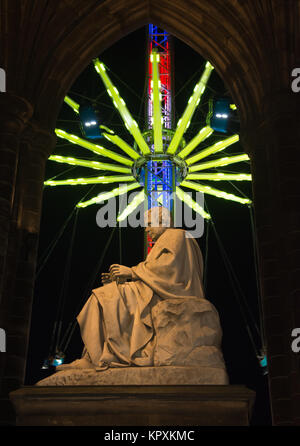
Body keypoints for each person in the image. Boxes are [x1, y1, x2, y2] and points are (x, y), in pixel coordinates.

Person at [56, 206, 226, 373]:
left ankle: (97, 357)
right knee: (106, 296)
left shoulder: (175, 235)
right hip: (156, 291)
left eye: (150, 223)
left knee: (104, 298)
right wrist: (122, 279)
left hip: (168, 295)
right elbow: (156, 272)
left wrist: (131, 272)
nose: (146, 229)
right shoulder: (169, 239)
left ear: (163, 221)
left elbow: (168, 271)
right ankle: (94, 356)